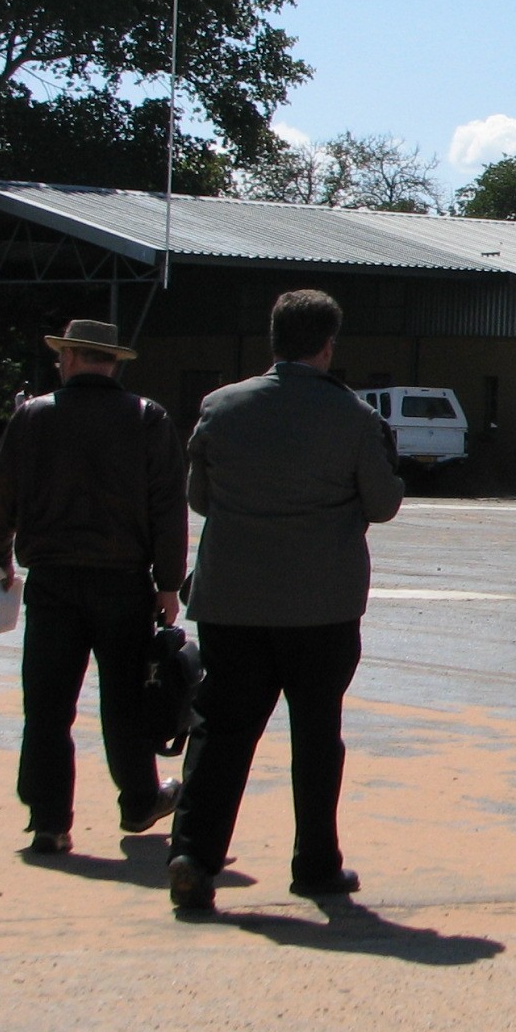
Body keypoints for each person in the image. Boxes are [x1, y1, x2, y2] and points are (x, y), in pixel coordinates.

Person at [167, 290, 405, 914]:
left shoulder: (220, 407)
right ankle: (315, 864)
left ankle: (194, 854)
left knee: (220, 732)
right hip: (321, 607)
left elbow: (199, 499)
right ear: (328, 345)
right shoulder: (354, 417)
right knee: (317, 734)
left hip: (231, 602)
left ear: (276, 341)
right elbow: (382, 504)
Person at [0, 318, 188, 855]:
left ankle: (49, 820)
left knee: (47, 706)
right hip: (123, 584)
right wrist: (167, 586)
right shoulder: (148, 418)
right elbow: (168, 508)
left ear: (69, 358)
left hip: (52, 584)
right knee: (124, 701)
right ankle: (140, 799)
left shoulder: (33, 417)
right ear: (112, 362)